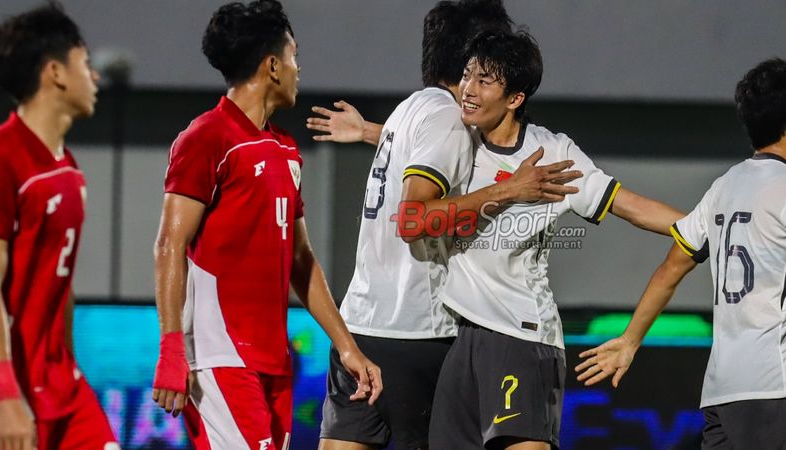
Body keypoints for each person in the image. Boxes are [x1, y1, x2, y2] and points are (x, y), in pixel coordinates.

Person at [311, 3, 584, 449]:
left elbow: (423, 150)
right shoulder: (449, 118)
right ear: (470, 60)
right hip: (422, 329)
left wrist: (367, 132)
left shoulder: (409, 111)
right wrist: (507, 191)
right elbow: (414, 219)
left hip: (363, 324)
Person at [423, 30, 686, 450]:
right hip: (461, 335)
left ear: (515, 99)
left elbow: (628, 205)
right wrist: (369, 130)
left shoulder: (553, 154)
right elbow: (411, 151)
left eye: (484, 81)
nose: (468, 90)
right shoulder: (455, 138)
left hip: (520, 336)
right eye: (467, 76)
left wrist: (702, 227)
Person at [150, 2, 382, 449]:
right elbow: (168, 244)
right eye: (294, 57)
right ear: (273, 66)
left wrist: (346, 346)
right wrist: (171, 348)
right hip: (220, 358)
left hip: (274, 363)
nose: (298, 69)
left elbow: (301, 260)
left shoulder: (286, 151)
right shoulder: (207, 137)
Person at [0, 3, 118, 450]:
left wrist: (66, 362)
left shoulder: (68, 167)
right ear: (55, 72)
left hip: (60, 386)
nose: (94, 78)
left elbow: (60, 287)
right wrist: (6, 395)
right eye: (85, 64)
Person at [575, 58, 786, 450]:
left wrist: (631, 339)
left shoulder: (724, 186)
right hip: (776, 388)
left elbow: (670, 269)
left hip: (723, 393)